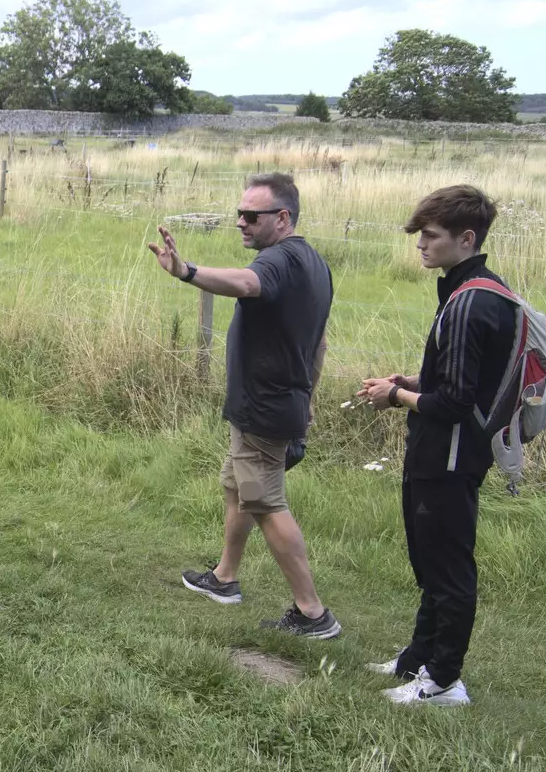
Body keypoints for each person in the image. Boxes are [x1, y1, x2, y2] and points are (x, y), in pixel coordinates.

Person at [149, 173, 340, 638]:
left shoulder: (278, 262)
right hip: (278, 401)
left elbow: (248, 284)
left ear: (282, 218)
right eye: (239, 213)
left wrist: (187, 272)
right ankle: (225, 578)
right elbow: (318, 344)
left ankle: (312, 613)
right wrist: (309, 395)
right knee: (237, 486)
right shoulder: (315, 263)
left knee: (266, 501)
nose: (240, 223)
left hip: (264, 406)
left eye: (251, 216)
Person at [355, 186, 518, 707]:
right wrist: (411, 381)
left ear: (466, 238)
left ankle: (444, 681)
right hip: (440, 450)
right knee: (429, 558)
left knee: (448, 567)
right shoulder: (471, 290)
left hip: (450, 456)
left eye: (430, 236)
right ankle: (418, 659)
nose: (420, 245)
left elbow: (453, 402)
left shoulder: (470, 302)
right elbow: (454, 381)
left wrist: (396, 395)